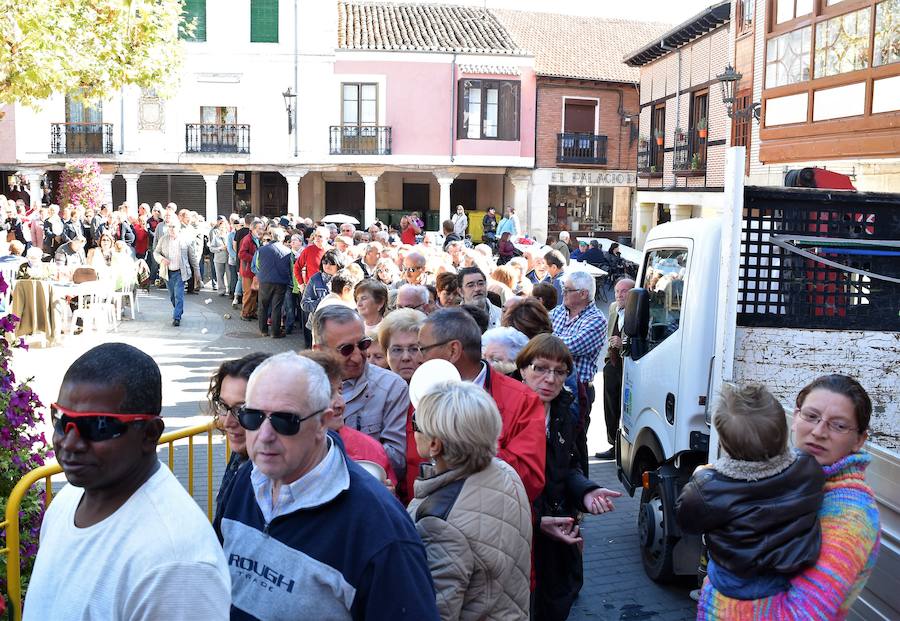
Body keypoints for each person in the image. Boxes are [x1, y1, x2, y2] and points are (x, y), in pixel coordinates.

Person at [214, 352, 439, 620]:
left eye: (285, 420)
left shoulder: (381, 530)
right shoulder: (247, 478)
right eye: (251, 417)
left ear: (323, 422)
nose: (264, 436)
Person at [24, 343, 230, 620]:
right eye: (61, 420)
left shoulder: (177, 564)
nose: (69, 442)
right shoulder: (69, 500)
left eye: (97, 426)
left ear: (149, 434)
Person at [697, 375, 879, 619]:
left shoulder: (851, 513)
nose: (818, 431)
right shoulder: (780, 473)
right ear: (795, 417)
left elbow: (802, 614)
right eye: (811, 416)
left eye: (838, 425)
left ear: (859, 440)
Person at [676, 383, 825, 601]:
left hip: (734, 582)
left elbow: (687, 521)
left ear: (725, 445)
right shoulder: (808, 466)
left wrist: (697, 478)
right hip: (790, 576)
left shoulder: (707, 486)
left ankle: (702, 591)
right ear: (784, 433)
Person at [516, 334, 622, 620]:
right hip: (517, 534)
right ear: (523, 369)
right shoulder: (505, 414)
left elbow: (569, 466)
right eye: (540, 368)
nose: (550, 378)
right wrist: (537, 521)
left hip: (558, 533)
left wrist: (586, 492)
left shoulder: (565, 410)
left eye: (559, 371)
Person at [408, 381, 532, 621]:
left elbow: (437, 612)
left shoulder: (439, 524)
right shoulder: (505, 472)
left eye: (416, 422)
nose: (413, 429)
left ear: (434, 444)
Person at [418, 308, 546, 501]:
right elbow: (414, 464)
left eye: (423, 349)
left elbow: (529, 479)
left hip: (492, 520)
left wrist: (461, 449)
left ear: (453, 350)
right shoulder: (422, 391)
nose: (419, 358)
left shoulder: (522, 399)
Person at [312, 305, 409, 480]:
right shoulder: (298, 388)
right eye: (346, 349)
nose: (357, 357)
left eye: (363, 345)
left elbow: (396, 462)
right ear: (319, 350)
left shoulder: (392, 387)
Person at [300, 349, 398, 491]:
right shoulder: (280, 451)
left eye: (340, 391)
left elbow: (393, 507)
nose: (340, 403)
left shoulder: (370, 449)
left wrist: (387, 500)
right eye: (327, 394)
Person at [551, 271, 607, 474]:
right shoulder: (558, 311)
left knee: (575, 442)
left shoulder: (596, 319)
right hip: (553, 385)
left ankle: (581, 492)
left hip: (578, 391)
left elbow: (569, 347)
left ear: (583, 294)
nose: (563, 293)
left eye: (567, 290)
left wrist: (546, 341)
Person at [209, 353, 271, 518]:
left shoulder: (274, 478)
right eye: (223, 405)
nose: (227, 422)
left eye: (242, 410)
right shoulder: (241, 457)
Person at [378, 308, 427, 502]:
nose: (406, 357)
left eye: (414, 349)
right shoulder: (373, 394)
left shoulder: (438, 394)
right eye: (397, 349)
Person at [597, 277, 635, 460]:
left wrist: (623, 343)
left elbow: (645, 339)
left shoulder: (638, 311)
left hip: (630, 365)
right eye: (617, 291)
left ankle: (626, 445)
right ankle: (613, 444)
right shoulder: (613, 307)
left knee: (626, 407)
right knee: (610, 406)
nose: (619, 295)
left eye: (624, 291)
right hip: (612, 364)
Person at [154, 222, 198, 327]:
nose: (171, 229)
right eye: (170, 227)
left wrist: (197, 272)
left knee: (178, 295)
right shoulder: (163, 239)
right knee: (172, 297)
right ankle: (178, 310)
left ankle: (176, 317)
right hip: (168, 272)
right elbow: (156, 252)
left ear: (178, 228)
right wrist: (161, 259)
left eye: (173, 226)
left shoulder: (185, 240)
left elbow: (192, 257)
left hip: (180, 272)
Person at [255, 227, 292, 338]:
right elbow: (290, 267)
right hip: (281, 281)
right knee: (277, 307)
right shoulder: (287, 251)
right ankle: (275, 332)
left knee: (263, 306)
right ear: (281, 238)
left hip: (265, 281)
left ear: (271, 236)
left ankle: (263, 330)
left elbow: (257, 265)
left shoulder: (262, 249)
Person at [209, 217, 229, 296]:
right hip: (218, 259)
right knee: (219, 276)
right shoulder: (216, 238)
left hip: (228, 259)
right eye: (221, 228)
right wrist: (220, 248)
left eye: (224, 227)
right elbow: (211, 248)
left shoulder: (229, 236)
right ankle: (221, 290)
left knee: (229, 275)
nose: (222, 229)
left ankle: (230, 290)